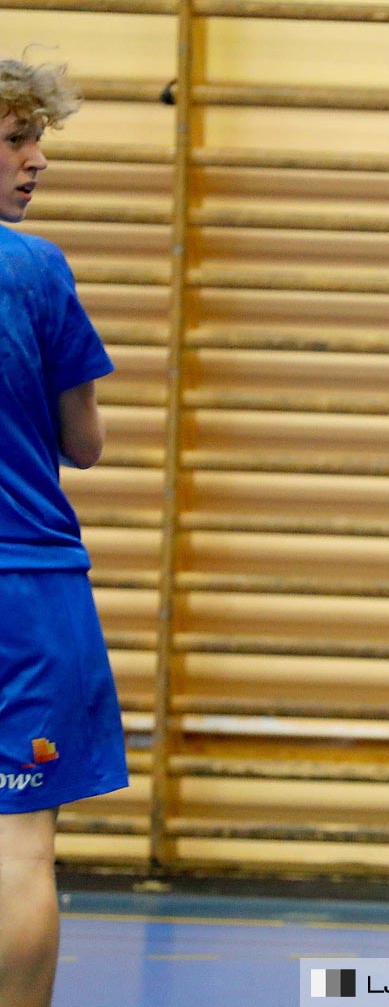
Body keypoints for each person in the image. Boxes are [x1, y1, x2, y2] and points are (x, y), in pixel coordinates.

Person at [0, 55, 125, 1007]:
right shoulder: (34, 269)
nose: (36, 158)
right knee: (17, 842)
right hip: (25, 590)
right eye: (15, 139)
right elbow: (85, 442)